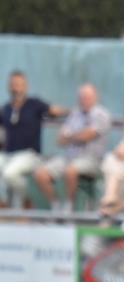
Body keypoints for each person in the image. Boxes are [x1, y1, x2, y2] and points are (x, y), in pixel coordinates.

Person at [34, 83, 111, 212]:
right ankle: (56, 205)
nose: (84, 100)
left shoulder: (102, 114)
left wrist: (70, 137)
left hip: (92, 160)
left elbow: (87, 136)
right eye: (82, 97)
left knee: (71, 170)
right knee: (40, 173)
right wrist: (77, 136)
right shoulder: (75, 114)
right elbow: (59, 140)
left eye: (88, 97)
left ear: (96, 97)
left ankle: (69, 207)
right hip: (70, 157)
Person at [0, 70, 66, 208]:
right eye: (13, 84)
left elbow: (54, 110)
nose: (16, 88)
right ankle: (8, 203)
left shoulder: (34, 104)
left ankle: (26, 201)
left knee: (10, 173)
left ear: (25, 86)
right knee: (6, 170)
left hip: (30, 155)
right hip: (8, 154)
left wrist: (72, 112)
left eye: (19, 84)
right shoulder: (6, 108)